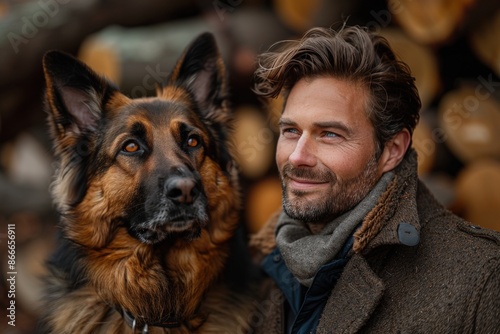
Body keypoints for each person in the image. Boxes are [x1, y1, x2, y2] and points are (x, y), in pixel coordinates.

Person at [249, 25, 500, 334]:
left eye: (329, 134)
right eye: (290, 131)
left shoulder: (482, 278)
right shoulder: (256, 268)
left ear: (391, 151)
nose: (297, 156)